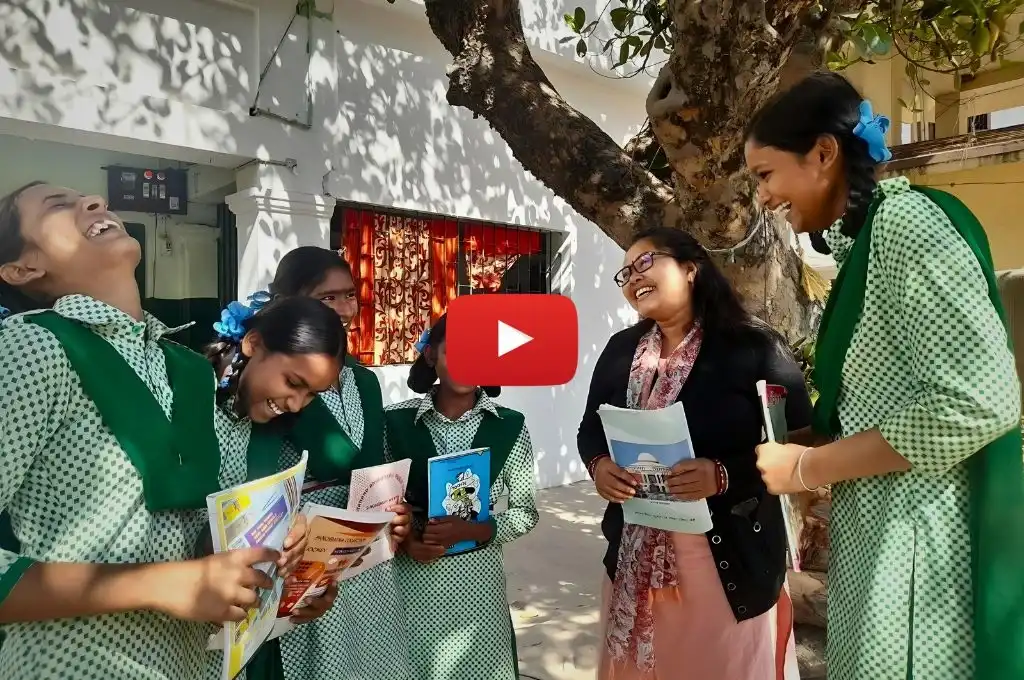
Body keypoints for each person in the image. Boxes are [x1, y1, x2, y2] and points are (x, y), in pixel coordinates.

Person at [745, 71, 1023, 680]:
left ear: (823, 153)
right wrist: (824, 445)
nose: (762, 198)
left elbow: (978, 402)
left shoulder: (906, 225)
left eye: (766, 175)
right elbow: (897, 395)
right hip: (882, 540)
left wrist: (807, 469)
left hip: (919, 554)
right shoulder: (865, 241)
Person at [0, 182, 298, 680]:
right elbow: (175, 579)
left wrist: (279, 565)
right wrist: (159, 584)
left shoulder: (189, 370)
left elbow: (203, 542)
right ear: (23, 268)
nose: (94, 202)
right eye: (58, 205)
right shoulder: (30, 348)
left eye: (88, 197)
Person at [577, 226, 812, 680]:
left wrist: (723, 474)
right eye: (625, 271)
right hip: (631, 554)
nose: (632, 277)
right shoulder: (620, 349)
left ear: (690, 268)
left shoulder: (753, 346)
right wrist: (599, 466)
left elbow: (799, 440)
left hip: (722, 561)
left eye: (646, 262)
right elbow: (591, 427)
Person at [261, 245, 414, 680]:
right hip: (306, 548)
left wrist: (394, 508)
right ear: (287, 301)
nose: (344, 309)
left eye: (350, 296)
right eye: (328, 298)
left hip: (364, 546)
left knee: (372, 655)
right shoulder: (275, 377)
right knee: (322, 656)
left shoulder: (365, 379)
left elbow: (375, 461)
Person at [201, 292, 347, 680]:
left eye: (311, 394)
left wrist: (301, 580)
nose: (298, 404)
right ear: (253, 343)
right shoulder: (185, 402)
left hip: (233, 648)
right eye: (293, 382)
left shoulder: (268, 430)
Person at [387, 314, 538, 680]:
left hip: (477, 585)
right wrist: (407, 541)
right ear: (430, 356)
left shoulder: (510, 425)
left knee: (480, 667)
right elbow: (378, 502)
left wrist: (476, 530)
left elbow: (525, 512)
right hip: (411, 582)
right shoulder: (393, 423)